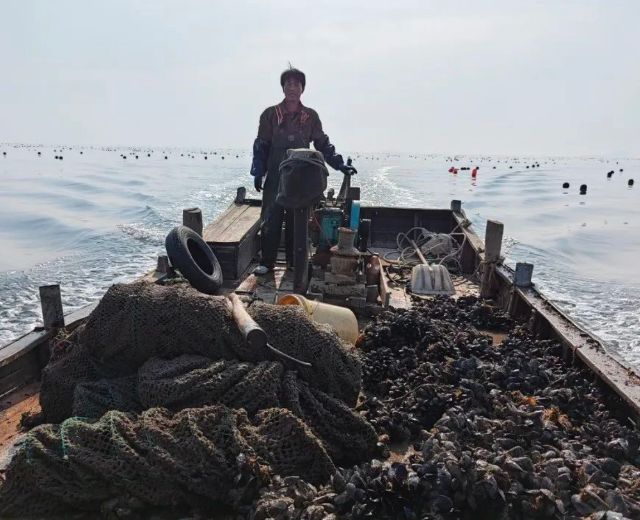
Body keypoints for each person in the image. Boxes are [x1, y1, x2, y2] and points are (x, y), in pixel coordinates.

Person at [250, 67, 356, 275]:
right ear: (283, 88)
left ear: (302, 88)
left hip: (300, 177)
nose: (292, 88)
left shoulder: (310, 116)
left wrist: (339, 164)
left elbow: (322, 144)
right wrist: (258, 171)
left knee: (297, 219)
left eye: (296, 84)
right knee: (271, 218)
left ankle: (294, 261)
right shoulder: (270, 114)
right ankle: (267, 262)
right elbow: (261, 144)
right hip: (275, 174)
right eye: (288, 84)